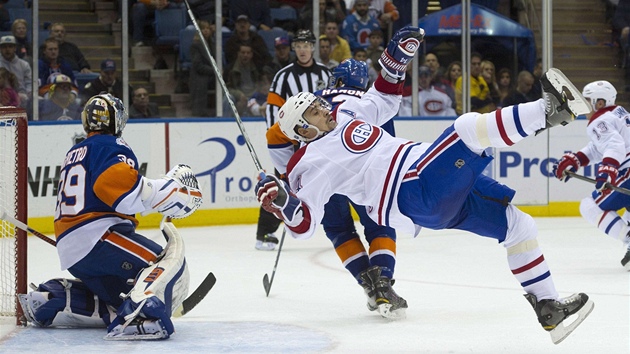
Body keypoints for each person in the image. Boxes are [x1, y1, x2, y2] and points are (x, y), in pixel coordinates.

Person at [255, 26, 594, 342]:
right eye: (314, 112)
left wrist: (396, 60)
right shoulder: (312, 162)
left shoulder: (345, 112)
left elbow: (384, 100)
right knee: (466, 129)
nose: (323, 109)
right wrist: (283, 200)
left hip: (431, 196)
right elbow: (303, 224)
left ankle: (550, 309)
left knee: (518, 225)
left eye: (319, 104)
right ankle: (548, 110)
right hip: (411, 188)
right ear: (302, 130)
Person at [18, 93, 203, 340]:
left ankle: (53, 298)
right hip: (98, 237)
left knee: (118, 300)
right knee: (164, 261)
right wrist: (171, 192)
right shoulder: (112, 146)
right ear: (116, 119)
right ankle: (137, 320)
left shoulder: (76, 151)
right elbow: (122, 192)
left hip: (73, 248)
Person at [266, 58, 403, 317]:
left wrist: (289, 177)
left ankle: (368, 285)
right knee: (379, 224)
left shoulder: (313, 101)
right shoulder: (369, 103)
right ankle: (383, 284)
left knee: (339, 228)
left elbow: (274, 136)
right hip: (362, 177)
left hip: (320, 175)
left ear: (335, 80)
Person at [257, 29, 331, 250]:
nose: (302, 50)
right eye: (298, 46)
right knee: (282, 183)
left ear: (312, 48)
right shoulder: (283, 76)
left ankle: (341, 228)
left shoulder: (326, 74)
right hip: (290, 140)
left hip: (322, 139)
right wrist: (283, 137)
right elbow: (273, 109)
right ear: (294, 49)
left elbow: (332, 106)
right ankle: (264, 234)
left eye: (306, 45)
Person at [553, 80, 630, 270]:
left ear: (600, 102)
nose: (582, 104)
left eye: (587, 100)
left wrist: (607, 172)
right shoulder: (617, 113)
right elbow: (599, 147)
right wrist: (576, 159)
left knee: (589, 206)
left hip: (627, 173)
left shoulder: (599, 121)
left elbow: (613, 146)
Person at [189, 20, 215, 117]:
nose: (206, 31)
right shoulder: (196, 45)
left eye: (208, 28)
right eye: (203, 28)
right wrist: (215, 71)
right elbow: (198, 66)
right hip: (200, 75)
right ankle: (200, 112)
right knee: (201, 82)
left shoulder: (212, 43)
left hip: (211, 74)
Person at [0, 35, 32, 107]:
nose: (7, 49)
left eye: (10, 46)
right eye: (4, 47)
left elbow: (29, 83)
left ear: (15, 48)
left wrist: (26, 95)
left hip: (23, 98)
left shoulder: (24, 64)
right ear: (0, 49)